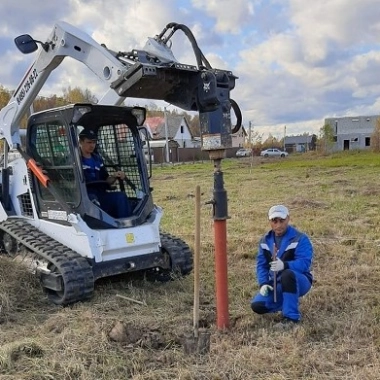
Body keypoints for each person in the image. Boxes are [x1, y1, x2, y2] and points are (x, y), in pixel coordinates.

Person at [250, 205, 313, 327]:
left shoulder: (300, 238)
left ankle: (291, 318)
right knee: (257, 306)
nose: (278, 225)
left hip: (300, 280)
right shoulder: (265, 241)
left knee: (287, 274)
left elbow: (305, 264)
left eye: (281, 220)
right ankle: (288, 301)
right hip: (276, 282)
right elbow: (261, 265)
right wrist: (263, 283)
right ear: (269, 221)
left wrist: (284, 265)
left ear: (288, 219)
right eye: (274, 221)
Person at [79, 129, 132, 218]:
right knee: (93, 199)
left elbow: (107, 180)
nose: (92, 145)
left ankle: (125, 225)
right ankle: (99, 226)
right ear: (80, 142)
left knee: (120, 197)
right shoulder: (75, 160)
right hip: (85, 197)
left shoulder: (97, 159)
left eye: (94, 142)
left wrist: (115, 176)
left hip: (100, 194)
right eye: (89, 142)